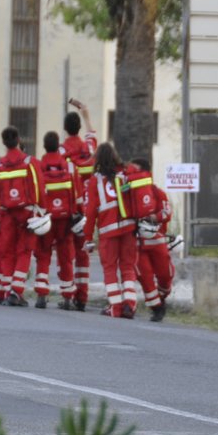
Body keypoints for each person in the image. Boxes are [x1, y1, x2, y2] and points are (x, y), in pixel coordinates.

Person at [82, 142, 138, 319]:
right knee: (128, 267)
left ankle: (115, 307)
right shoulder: (126, 174)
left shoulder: (95, 181)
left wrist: (88, 236)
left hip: (108, 230)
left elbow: (90, 211)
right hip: (129, 227)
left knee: (110, 268)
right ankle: (130, 304)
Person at [0, 125, 40, 307]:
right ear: (19, 140)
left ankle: (8, 291)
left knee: (6, 252)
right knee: (24, 251)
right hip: (26, 213)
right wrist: (40, 212)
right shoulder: (30, 162)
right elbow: (38, 189)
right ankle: (16, 290)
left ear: (4, 143)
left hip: (6, 214)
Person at [60, 99, 99, 312]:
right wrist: (86, 115)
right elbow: (92, 134)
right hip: (87, 209)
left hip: (68, 208)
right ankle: (82, 297)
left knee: (67, 252)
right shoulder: (89, 149)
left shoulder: (62, 151)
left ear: (65, 129)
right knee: (83, 254)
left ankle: (68, 292)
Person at [33, 131, 77, 309]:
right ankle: (67, 297)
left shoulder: (39, 166)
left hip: (46, 218)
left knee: (43, 255)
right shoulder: (67, 166)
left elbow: (35, 193)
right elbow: (75, 193)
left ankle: (41, 296)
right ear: (58, 145)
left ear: (44, 146)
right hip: (65, 219)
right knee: (65, 257)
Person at [127, 156, 174, 322]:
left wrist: (154, 217)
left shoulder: (157, 192)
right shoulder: (127, 195)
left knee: (165, 275)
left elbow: (167, 212)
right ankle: (157, 309)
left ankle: (161, 298)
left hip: (157, 241)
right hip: (138, 244)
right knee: (145, 278)